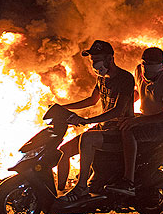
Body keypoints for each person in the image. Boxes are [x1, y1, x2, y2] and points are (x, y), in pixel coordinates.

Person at [57, 40, 135, 202]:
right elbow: (92, 100)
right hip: (104, 128)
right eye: (92, 59)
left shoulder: (125, 78)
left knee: (87, 138)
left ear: (110, 58)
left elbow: (118, 111)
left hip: (120, 131)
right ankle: (59, 193)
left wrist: (87, 121)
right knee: (63, 150)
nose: (94, 63)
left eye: (97, 59)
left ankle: (81, 188)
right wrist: (63, 108)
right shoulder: (102, 78)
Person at [110, 47, 163, 196]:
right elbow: (137, 92)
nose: (147, 67)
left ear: (161, 65)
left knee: (129, 132)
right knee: (116, 123)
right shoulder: (138, 71)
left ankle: (129, 181)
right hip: (145, 116)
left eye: (152, 64)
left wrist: (138, 121)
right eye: (145, 63)